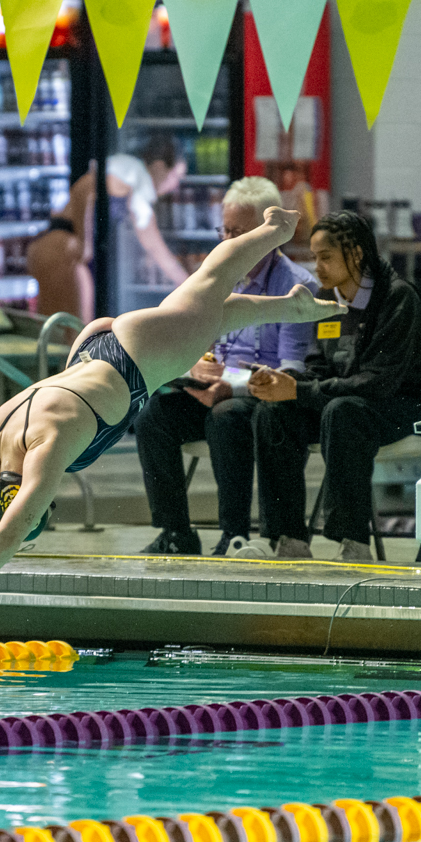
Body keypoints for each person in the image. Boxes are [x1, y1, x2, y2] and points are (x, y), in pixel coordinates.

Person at [0, 205, 346, 640]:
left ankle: (275, 229)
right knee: (208, 311)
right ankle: (292, 306)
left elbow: (11, 531)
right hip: (96, 346)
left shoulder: (49, 446)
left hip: (137, 359)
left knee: (209, 284)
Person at [245, 211, 421, 563]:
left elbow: (379, 382)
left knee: (342, 411)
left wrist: (301, 392)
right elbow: (319, 366)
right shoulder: (329, 301)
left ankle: (354, 541)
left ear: (357, 254)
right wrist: (284, 383)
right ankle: (287, 537)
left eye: (326, 257)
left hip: (419, 404)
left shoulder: (397, 298)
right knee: (274, 411)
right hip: (362, 404)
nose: (318, 267)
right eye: (314, 257)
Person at [135, 176, 317, 557]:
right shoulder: (216, 278)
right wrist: (193, 370)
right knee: (152, 415)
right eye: (225, 230)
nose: (228, 242)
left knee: (226, 415)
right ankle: (175, 531)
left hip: (260, 394)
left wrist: (228, 385)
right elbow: (191, 339)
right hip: (212, 386)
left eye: (239, 233)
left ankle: (233, 534)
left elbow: (291, 369)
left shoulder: (297, 287)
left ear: (267, 235)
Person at [104, 135, 188, 289]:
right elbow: (154, 245)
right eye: (175, 176)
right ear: (159, 165)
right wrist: (190, 285)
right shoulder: (139, 177)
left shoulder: (125, 166)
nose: (175, 186)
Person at [25, 163, 95, 321]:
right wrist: (86, 245)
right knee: (77, 326)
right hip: (65, 245)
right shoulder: (95, 180)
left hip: (51, 244)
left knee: (56, 322)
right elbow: (86, 195)